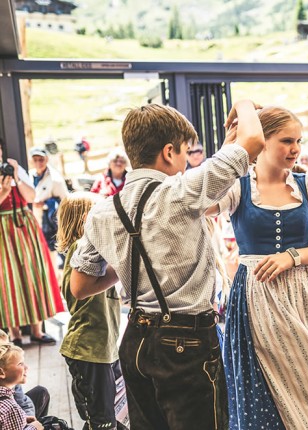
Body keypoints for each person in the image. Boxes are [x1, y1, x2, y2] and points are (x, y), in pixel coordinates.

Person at [69, 102, 265, 430]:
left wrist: (129, 259)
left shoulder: (103, 211)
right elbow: (255, 141)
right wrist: (244, 105)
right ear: (169, 151)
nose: (189, 161)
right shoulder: (182, 192)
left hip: (136, 340)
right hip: (187, 344)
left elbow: (81, 286)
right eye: (187, 152)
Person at [217, 106, 308, 429]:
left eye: (298, 141)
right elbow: (202, 203)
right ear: (261, 141)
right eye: (286, 140)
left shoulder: (306, 183)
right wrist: (229, 147)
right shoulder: (239, 184)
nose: (295, 149)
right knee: (264, 388)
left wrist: (293, 256)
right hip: (257, 299)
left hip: (305, 297)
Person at [57, 192, 126, 430]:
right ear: (87, 218)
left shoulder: (92, 253)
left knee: (111, 415)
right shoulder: (81, 250)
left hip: (103, 349)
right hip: (88, 351)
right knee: (102, 420)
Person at [0, 143, 64, 347]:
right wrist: (3, 189)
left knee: (33, 273)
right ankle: (15, 333)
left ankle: (37, 330)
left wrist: (16, 177)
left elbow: (31, 197)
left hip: (25, 224)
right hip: (3, 227)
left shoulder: (15, 169)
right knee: (9, 279)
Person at [0, 330, 49, 422]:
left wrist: (29, 419)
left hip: (20, 417)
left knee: (41, 392)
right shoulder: (9, 407)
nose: (8, 350)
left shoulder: (11, 380)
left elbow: (23, 402)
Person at [29, 147, 68, 254]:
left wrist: (46, 203)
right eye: (35, 160)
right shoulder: (29, 175)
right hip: (35, 217)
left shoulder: (55, 179)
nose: (38, 163)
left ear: (46, 159)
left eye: (41, 159)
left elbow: (65, 199)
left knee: (56, 249)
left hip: (51, 219)